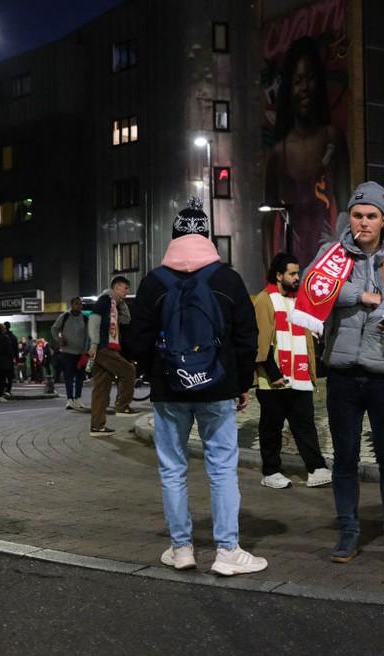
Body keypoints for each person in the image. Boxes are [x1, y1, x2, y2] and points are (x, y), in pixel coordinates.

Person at [297, 181, 384, 564]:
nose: (363, 222)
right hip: (343, 374)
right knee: (344, 458)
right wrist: (357, 295)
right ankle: (347, 533)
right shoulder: (332, 257)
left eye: (371, 216)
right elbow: (309, 291)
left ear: (383, 219)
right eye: (357, 215)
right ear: (350, 218)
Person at [126, 199, 267, 576]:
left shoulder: (154, 281)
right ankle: (227, 551)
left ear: (173, 238)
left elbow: (135, 342)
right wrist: (239, 384)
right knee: (222, 469)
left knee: (173, 470)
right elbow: (247, 338)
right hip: (217, 388)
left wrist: (156, 371)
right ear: (206, 238)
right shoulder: (228, 279)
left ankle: (181, 548)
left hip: (169, 391)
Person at [264, 36, 350, 267]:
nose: (304, 88)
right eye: (298, 80)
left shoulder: (333, 138)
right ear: (289, 88)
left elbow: (346, 207)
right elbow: (267, 221)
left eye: (310, 78)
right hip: (290, 262)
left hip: (328, 260)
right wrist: (272, 277)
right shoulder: (278, 154)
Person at [253, 252, 332, 490]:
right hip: (273, 380)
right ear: (278, 275)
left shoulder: (301, 302)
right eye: (292, 273)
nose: (298, 277)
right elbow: (259, 340)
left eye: (298, 273)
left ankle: (316, 468)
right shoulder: (264, 300)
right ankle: (271, 471)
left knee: (305, 424)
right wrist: (272, 373)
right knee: (271, 428)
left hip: (300, 377)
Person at [87, 276, 137, 436]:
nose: (127, 292)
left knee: (101, 389)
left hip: (109, 347)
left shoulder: (115, 304)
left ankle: (97, 426)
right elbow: (93, 321)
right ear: (116, 287)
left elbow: (126, 320)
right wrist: (94, 343)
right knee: (128, 371)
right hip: (103, 348)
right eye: (125, 288)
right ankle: (122, 406)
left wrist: (121, 303)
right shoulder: (104, 301)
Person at [52, 297, 90, 410]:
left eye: (80, 304)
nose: (79, 306)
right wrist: (59, 340)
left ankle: (78, 399)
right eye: (76, 304)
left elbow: (88, 336)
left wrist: (86, 350)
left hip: (81, 353)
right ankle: (69, 400)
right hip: (67, 352)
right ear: (71, 305)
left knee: (79, 378)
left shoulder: (85, 318)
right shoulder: (65, 316)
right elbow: (54, 329)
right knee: (68, 377)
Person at [0, 323, 15, 403]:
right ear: (3, 329)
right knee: (2, 379)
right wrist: (12, 358)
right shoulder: (6, 338)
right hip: (4, 361)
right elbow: (9, 350)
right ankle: (0, 394)